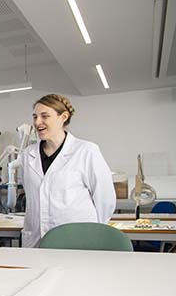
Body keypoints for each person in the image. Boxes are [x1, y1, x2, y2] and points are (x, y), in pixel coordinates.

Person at [21, 93, 115, 247]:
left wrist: (93, 230)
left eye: (45, 116)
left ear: (63, 117)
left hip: (77, 237)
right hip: (36, 238)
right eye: (35, 117)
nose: (38, 122)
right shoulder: (27, 155)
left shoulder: (86, 151)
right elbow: (31, 197)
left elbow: (105, 199)